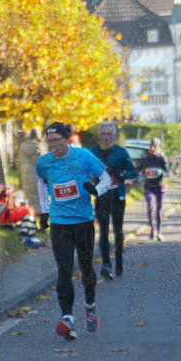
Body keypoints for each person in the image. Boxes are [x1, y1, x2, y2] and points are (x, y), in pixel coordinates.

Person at [35, 122, 112, 341]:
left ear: (67, 138)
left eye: (57, 140)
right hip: (60, 222)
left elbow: (107, 178)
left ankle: (90, 307)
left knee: (87, 267)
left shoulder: (84, 156)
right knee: (64, 270)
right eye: (50, 141)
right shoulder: (44, 162)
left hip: (83, 221)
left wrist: (96, 190)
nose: (53, 145)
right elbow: (41, 182)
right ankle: (67, 318)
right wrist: (44, 210)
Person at [90, 121, 137, 279]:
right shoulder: (93, 152)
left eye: (109, 134)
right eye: (103, 134)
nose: (106, 137)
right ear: (99, 136)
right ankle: (105, 263)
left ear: (115, 136)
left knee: (117, 230)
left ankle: (119, 259)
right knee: (103, 230)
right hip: (102, 196)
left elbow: (133, 172)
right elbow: (83, 170)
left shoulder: (121, 152)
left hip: (118, 196)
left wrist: (121, 175)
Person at [0, 166, 43, 248]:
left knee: (26, 208)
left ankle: (27, 234)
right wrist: (8, 188)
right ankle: (27, 237)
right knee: (29, 210)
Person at [16, 129, 47, 228]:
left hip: (25, 177)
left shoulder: (22, 147)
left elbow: (18, 162)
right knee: (41, 200)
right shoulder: (38, 147)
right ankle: (43, 225)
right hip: (38, 177)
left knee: (29, 199)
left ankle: (30, 223)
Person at [138, 138, 168, 241]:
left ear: (158, 147)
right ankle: (152, 229)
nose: (153, 148)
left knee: (159, 208)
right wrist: (141, 176)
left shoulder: (162, 158)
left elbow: (168, 171)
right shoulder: (145, 158)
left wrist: (161, 173)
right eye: (151, 146)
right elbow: (139, 170)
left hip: (160, 187)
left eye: (155, 146)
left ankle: (159, 231)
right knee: (150, 207)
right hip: (149, 187)